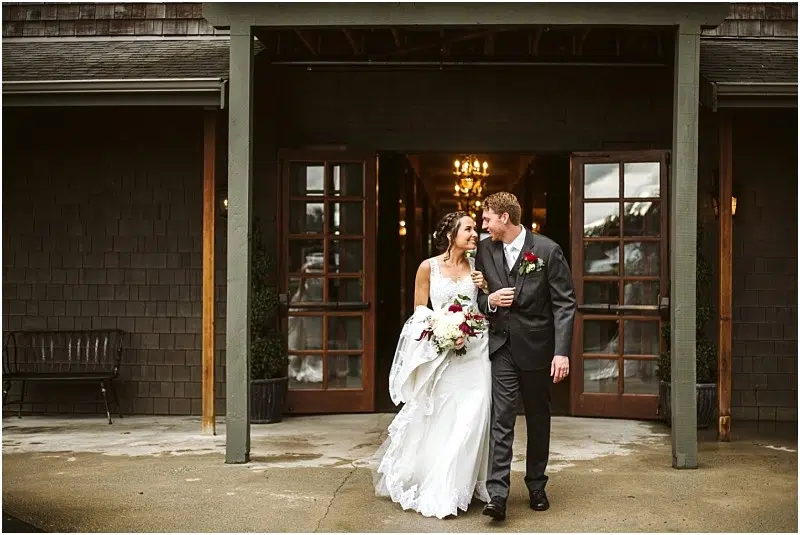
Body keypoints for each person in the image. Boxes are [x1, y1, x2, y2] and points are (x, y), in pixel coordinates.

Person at [373, 211, 492, 519]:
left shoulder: (480, 267)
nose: (475, 234)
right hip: (443, 351)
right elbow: (419, 313)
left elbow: (488, 307)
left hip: (476, 350)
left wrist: (487, 289)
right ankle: (438, 482)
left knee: (474, 414)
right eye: (468, 229)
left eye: (476, 229)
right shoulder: (428, 267)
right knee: (441, 415)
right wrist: (442, 330)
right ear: (452, 234)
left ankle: (460, 483)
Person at [471, 192, 576, 521]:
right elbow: (477, 297)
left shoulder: (546, 250)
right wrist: (490, 302)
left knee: (537, 418)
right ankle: (498, 494)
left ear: (504, 217)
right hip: (501, 347)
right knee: (501, 420)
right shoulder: (485, 250)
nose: (482, 226)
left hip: (538, 349)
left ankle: (536, 484)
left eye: (487, 219)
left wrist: (561, 353)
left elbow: (564, 304)